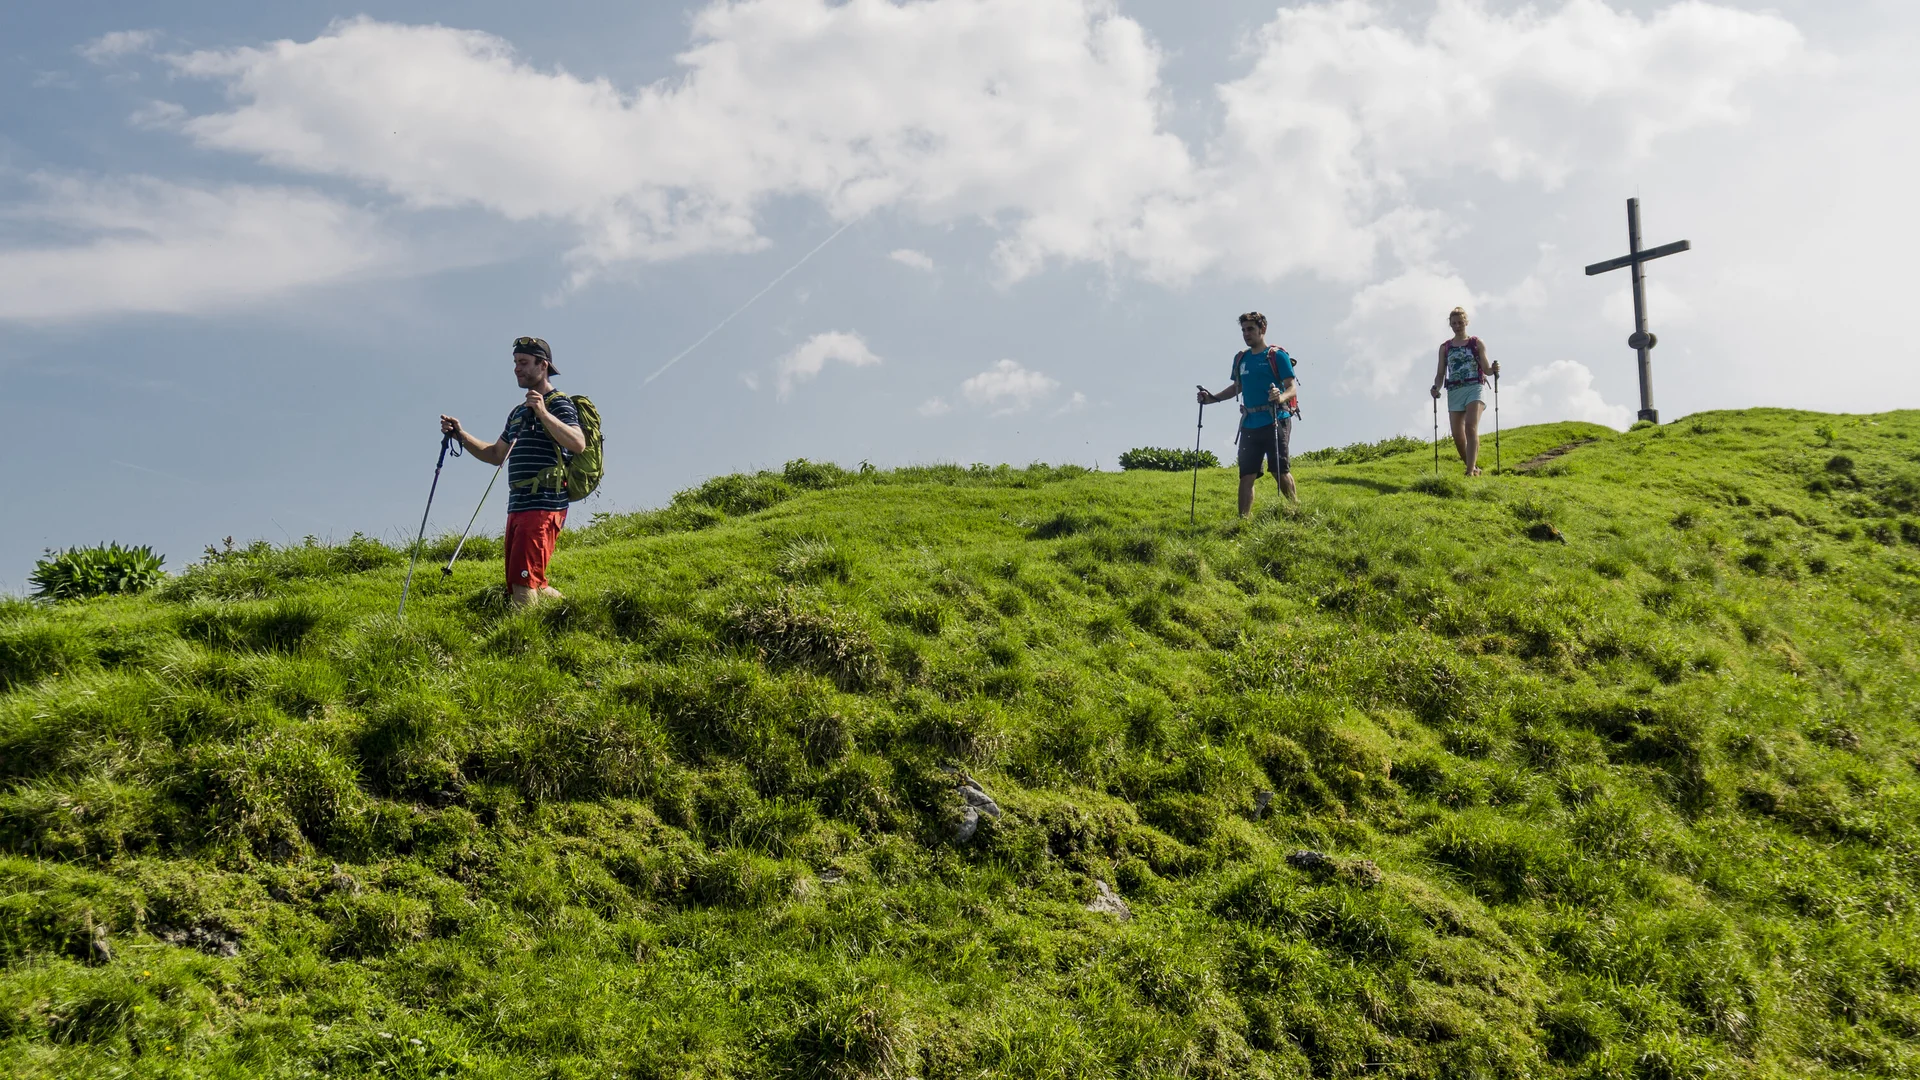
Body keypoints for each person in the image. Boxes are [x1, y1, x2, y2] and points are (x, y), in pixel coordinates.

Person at [439, 336, 586, 607]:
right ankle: (572, 611)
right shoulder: (518, 412)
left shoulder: (558, 403)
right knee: (531, 582)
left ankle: (522, 645)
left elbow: (578, 443)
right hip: (518, 505)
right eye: (515, 363)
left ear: (543, 365)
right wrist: (461, 435)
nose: (517, 369)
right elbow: (496, 454)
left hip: (543, 504)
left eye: (524, 363)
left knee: (522, 584)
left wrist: (542, 412)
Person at [1196, 311, 1299, 516]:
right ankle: (1242, 521)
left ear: (1263, 329)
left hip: (1276, 418)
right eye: (1243, 330)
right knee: (1246, 475)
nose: (1246, 333)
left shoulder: (1277, 355)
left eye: (1250, 329)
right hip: (1250, 422)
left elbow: (1292, 387)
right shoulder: (1240, 358)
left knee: (1279, 470)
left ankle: (1295, 511)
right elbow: (1237, 387)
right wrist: (1211, 399)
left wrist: (1279, 398)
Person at [1430, 307, 1500, 476]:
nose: (1457, 326)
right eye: (1454, 323)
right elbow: (1440, 374)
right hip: (1454, 390)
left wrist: (1493, 369)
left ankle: (1469, 471)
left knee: (1470, 427)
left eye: (1460, 322)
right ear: (1450, 325)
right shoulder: (1445, 347)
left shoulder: (1476, 343)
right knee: (1457, 435)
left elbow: (1486, 369)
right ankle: (1473, 467)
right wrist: (1435, 388)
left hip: (1474, 387)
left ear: (1466, 322)